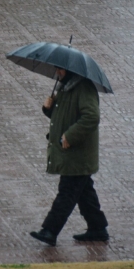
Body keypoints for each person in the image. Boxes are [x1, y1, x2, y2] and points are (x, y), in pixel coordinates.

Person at [29, 67, 109, 246]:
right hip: (71, 153)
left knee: (67, 192)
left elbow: (91, 116)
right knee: (84, 192)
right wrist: (48, 108)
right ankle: (97, 228)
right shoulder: (65, 87)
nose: (57, 72)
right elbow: (63, 115)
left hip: (77, 154)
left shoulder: (83, 88)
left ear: (70, 70)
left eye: (60, 69)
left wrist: (70, 136)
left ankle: (50, 230)